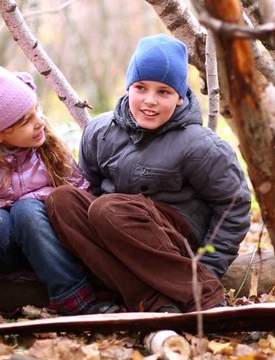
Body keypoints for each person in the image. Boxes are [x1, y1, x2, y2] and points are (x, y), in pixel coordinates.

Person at [46, 34, 252, 313]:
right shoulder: (100, 131)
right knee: (62, 200)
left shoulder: (200, 145)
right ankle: (151, 299)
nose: (149, 100)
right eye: (141, 87)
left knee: (108, 209)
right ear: (128, 87)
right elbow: (89, 190)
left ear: (180, 98)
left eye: (163, 92)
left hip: (174, 242)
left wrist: (209, 269)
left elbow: (234, 206)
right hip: (116, 231)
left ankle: (200, 291)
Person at [0, 66, 118, 326]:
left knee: (27, 210)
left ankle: (76, 300)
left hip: (50, 250)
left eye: (37, 111)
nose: (39, 122)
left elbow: (80, 199)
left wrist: (35, 199)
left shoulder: (51, 150)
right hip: (2, 254)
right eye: (25, 121)